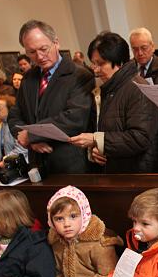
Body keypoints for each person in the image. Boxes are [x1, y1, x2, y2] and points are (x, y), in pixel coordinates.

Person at [8, 20, 96, 174]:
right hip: (38, 164)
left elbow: (75, 118)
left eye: (43, 49)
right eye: (32, 52)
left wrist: (32, 135)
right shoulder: (28, 78)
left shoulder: (79, 74)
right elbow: (15, 115)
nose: (40, 56)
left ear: (56, 42)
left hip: (71, 164)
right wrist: (27, 140)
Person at [69, 32, 158, 173]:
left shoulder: (138, 88)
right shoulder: (108, 87)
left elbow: (139, 138)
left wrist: (95, 139)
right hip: (116, 170)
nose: (96, 70)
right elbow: (106, 130)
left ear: (120, 62)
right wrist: (97, 149)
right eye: (94, 63)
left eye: (101, 63)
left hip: (137, 173)